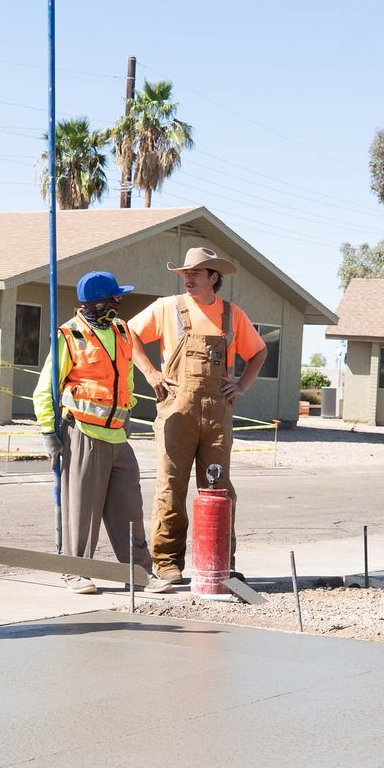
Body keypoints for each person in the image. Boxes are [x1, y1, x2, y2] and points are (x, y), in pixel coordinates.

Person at [127, 246, 268, 589]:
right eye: (185, 274)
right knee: (170, 487)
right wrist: (150, 372)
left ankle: (220, 562)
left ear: (213, 277)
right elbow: (128, 334)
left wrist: (242, 385)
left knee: (219, 488)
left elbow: (259, 351)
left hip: (217, 414)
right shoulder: (167, 307)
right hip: (177, 410)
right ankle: (167, 564)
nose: (188, 279)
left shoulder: (233, 315)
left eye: (195, 273)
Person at [33, 270, 155, 593]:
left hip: (118, 435)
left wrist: (127, 414)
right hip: (83, 433)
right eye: (116, 297)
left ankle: (140, 573)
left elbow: (127, 376)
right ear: (100, 302)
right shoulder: (69, 336)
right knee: (82, 509)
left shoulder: (122, 331)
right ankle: (76, 572)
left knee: (130, 507)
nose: (120, 302)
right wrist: (49, 433)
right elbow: (45, 389)